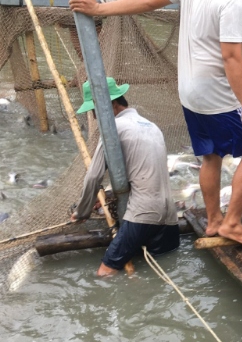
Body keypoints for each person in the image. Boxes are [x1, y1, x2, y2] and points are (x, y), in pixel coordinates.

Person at [69, 0, 242, 244]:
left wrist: (99, 9)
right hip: (216, 95)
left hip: (189, 93)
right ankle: (232, 223)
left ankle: (213, 221)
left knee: (211, 156)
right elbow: (232, 57)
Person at [71, 78, 179, 276]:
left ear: (111, 105)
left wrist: (82, 212)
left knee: (104, 274)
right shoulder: (151, 126)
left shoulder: (114, 129)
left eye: (95, 112)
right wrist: (109, 193)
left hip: (142, 214)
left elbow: (93, 177)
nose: (95, 118)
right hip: (170, 214)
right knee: (165, 268)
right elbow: (145, 174)